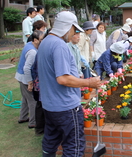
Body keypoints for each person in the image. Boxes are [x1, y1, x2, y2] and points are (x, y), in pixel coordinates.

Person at [37, 11, 101, 157]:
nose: (73, 33)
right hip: (65, 107)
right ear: (67, 27)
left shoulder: (45, 42)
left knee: (51, 140)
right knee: (74, 146)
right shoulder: (59, 45)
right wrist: (88, 82)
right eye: (74, 29)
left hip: (49, 105)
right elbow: (63, 79)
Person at [15, 30, 44, 129]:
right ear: (35, 40)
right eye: (41, 40)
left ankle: (22, 117)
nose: (43, 41)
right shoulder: (32, 52)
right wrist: (30, 82)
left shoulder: (28, 44)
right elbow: (27, 68)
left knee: (25, 99)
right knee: (32, 101)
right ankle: (33, 122)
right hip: (25, 78)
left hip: (20, 76)